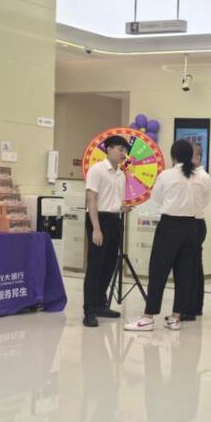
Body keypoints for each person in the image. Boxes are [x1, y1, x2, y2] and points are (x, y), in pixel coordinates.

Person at [125, 139, 211, 331]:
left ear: (173, 156)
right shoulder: (203, 177)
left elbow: (157, 198)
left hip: (170, 226)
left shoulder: (166, 175)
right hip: (192, 226)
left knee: (158, 271)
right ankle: (175, 318)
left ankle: (148, 317)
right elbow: (205, 201)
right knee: (185, 273)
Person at [83, 134, 130, 328]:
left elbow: (113, 200)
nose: (123, 154)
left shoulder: (121, 174)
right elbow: (91, 199)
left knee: (109, 265)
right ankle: (89, 311)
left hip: (114, 220)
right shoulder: (97, 170)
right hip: (98, 220)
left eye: (125, 151)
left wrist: (122, 208)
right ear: (109, 149)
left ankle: (100, 305)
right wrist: (96, 228)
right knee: (95, 266)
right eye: (120, 150)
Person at [191, 143, 208, 318]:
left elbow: (202, 202)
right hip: (192, 224)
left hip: (195, 224)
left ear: (197, 158)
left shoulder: (201, 176)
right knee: (192, 266)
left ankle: (194, 306)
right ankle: (193, 306)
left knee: (193, 267)